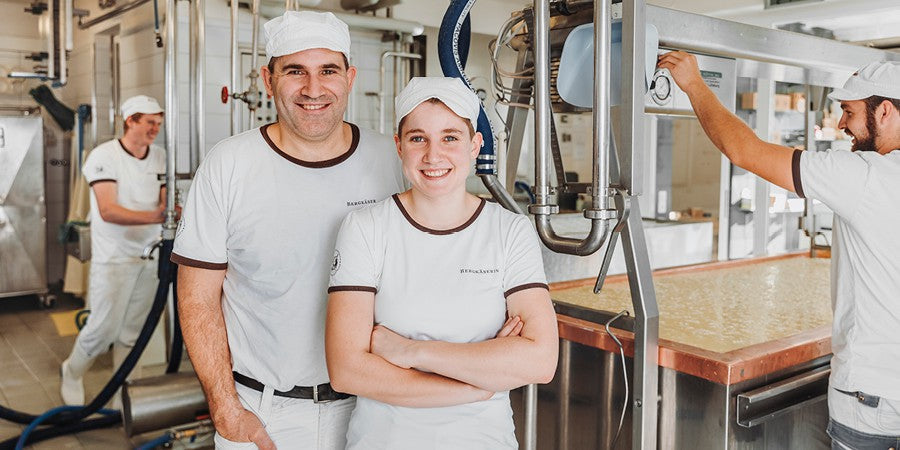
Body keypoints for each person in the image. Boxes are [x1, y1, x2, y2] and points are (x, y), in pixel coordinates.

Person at [172, 10, 405, 450]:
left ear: (350, 77)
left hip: (373, 409)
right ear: (268, 78)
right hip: (263, 412)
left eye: (328, 71)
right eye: (295, 71)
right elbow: (197, 297)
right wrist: (225, 407)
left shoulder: (391, 161)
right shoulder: (229, 165)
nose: (313, 89)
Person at [658, 52, 900, 449]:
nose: (841, 125)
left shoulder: (864, 176)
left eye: (849, 112)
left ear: (885, 111)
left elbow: (743, 150)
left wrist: (694, 85)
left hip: (868, 398)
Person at [325, 77, 559, 449]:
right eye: (418, 138)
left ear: (474, 146)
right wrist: (478, 382)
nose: (434, 156)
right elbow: (346, 370)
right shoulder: (366, 228)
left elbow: (541, 361)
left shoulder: (509, 230)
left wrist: (411, 352)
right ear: (399, 147)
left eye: (450, 137)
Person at [60, 95, 168, 405]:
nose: (155, 129)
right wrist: (160, 216)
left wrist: (168, 209)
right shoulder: (103, 156)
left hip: (150, 256)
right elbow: (109, 210)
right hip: (115, 259)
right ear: (131, 120)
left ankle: (123, 395)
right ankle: (72, 372)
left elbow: (165, 200)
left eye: (158, 124)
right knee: (102, 330)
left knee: (133, 332)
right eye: (149, 122)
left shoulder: (160, 156)